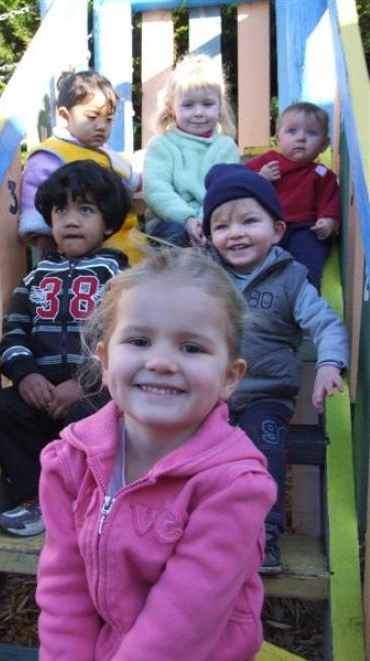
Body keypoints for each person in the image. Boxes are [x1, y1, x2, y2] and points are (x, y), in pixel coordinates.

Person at [36, 248, 277, 660]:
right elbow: (64, 591)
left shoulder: (234, 485)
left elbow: (184, 619)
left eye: (191, 348)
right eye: (139, 340)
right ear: (106, 359)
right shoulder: (69, 462)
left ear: (229, 377)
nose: (161, 362)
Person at [202, 163, 349, 573]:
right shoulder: (201, 277)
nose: (236, 233)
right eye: (222, 226)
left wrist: (328, 363)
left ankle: (262, 537)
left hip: (265, 396)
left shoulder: (292, 279)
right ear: (209, 236)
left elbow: (326, 324)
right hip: (205, 396)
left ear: (278, 230)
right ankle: (193, 534)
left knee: (263, 454)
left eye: (250, 221)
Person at [0, 160, 131, 536]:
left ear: (108, 223)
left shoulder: (121, 278)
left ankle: (95, 500)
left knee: (89, 414)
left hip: (96, 393)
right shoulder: (35, 278)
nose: (71, 219)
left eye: (85, 209)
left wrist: (87, 382)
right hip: (43, 391)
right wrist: (25, 374)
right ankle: (39, 499)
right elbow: (14, 330)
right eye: (61, 209)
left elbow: (129, 338)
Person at [19, 69, 141, 264]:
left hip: (127, 239)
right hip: (87, 250)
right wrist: (43, 236)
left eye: (108, 119)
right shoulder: (51, 153)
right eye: (92, 117)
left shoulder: (106, 151)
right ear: (65, 116)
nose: (101, 126)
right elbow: (34, 197)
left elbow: (133, 179)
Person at [143, 53, 239, 247]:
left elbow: (224, 189)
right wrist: (187, 219)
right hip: (169, 220)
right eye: (188, 105)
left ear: (219, 105)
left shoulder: (225, 147)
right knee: (174, 236)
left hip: (215, 219)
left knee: (235, 234)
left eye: (207, 104)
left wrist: (205, 222)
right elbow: (156, 189)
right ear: (171, 107)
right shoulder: (162, 145)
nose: (198, 113)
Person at [246, 102, 341, 290]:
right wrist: (259, 178)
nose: (301, 138)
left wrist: (328, 221)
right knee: (259, 262)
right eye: (292, 131)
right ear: (278, 138)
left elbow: (330, 201)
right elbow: (237, 181)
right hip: (268, 226)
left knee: (307, 264)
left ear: (324, 144)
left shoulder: (322, 174)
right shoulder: (268, 162)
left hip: (306, 230)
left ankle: (303, 301)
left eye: (311, 133)